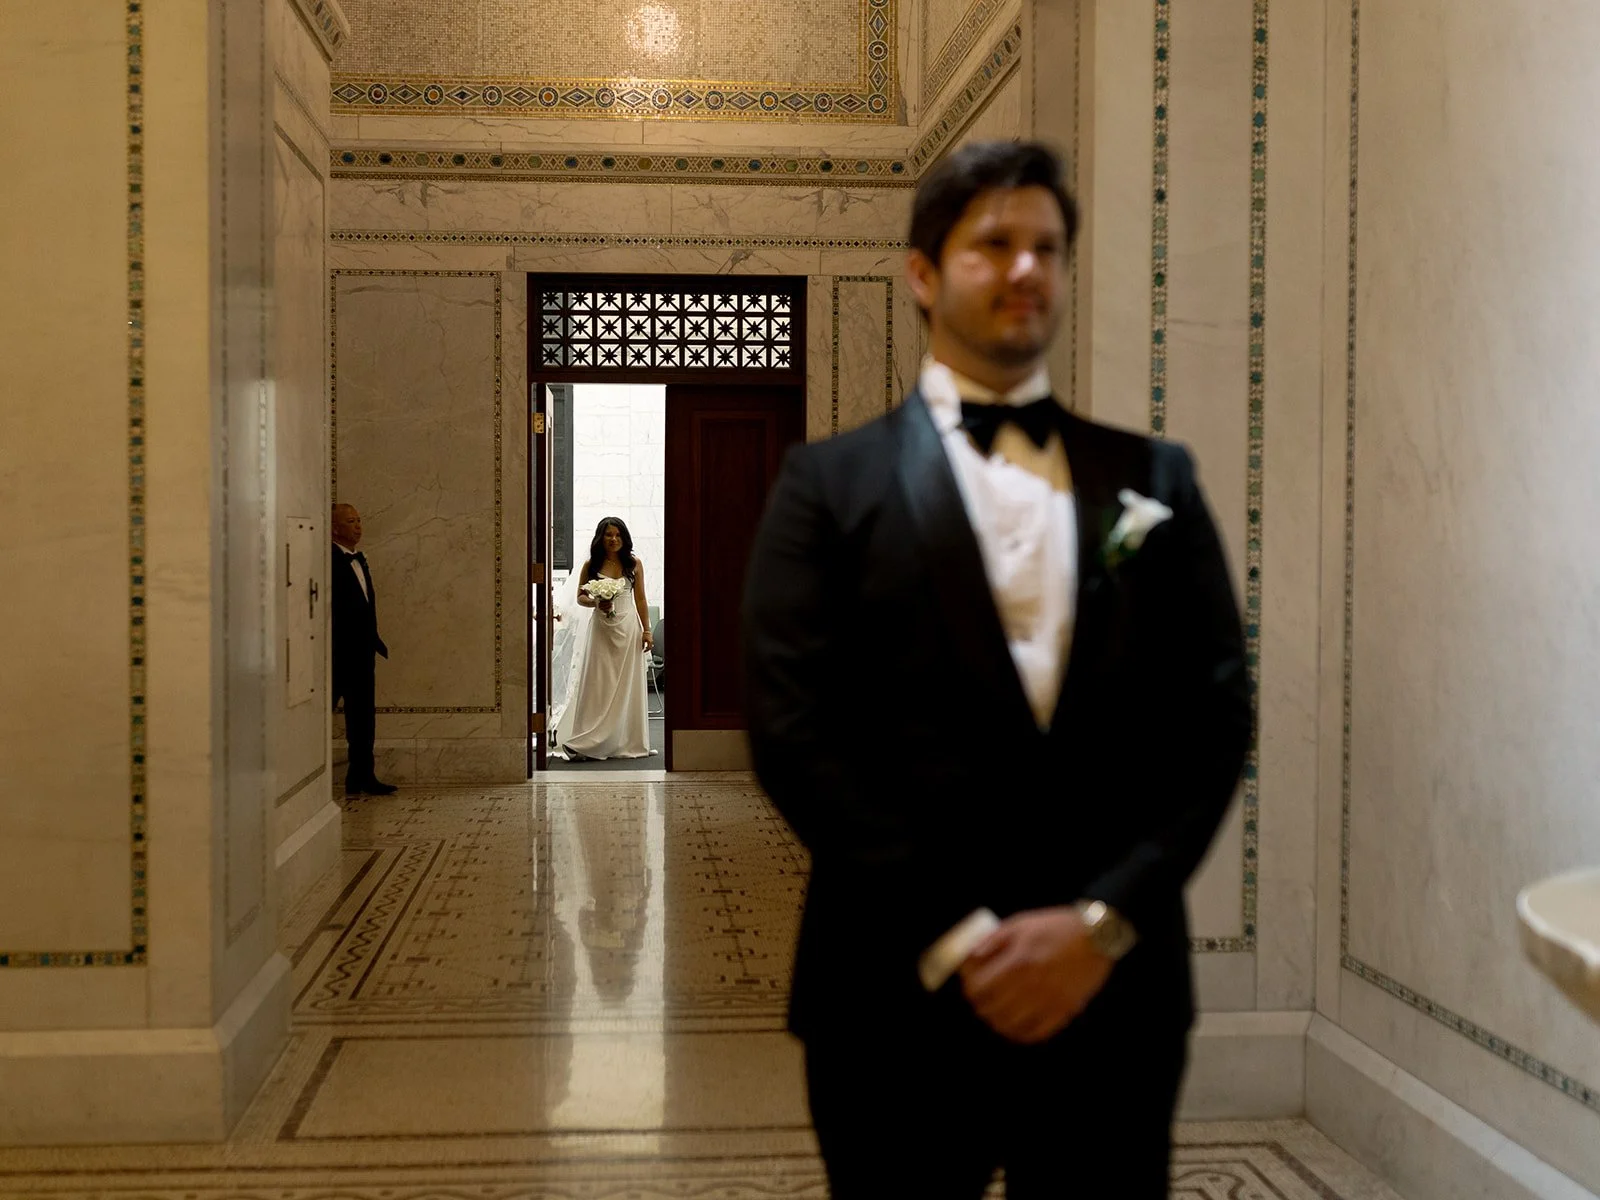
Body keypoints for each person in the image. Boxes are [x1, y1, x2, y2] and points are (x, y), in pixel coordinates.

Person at [740, 141, 1252, 1198]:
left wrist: (1099, 924)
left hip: (1114, 992)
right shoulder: (825, 485)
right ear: (923, 274)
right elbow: (795, 733)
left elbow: (1212, 722)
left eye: (1047, 248)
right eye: (994, 244)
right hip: (894, 989)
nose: (1026, 269)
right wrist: (961, 935)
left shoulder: (1153, 479)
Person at [552, 517, 656, 761]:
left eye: (618, 535)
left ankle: (623, 739)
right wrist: (597, 602)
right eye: (609, 534)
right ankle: (588, 739)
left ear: (624, 538)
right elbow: (580, 597)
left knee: (626, 684)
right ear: (601, 537)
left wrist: (647, 630)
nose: (613, 539)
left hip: (628, 629)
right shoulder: (591, 564)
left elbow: (641, 599)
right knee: (598, 683)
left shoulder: (634, 564)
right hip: (601, 630)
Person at [330, 502, 396, 796]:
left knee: (363, 719)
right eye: (350, 521)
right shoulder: (328, 561)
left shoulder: (359, 559)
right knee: (319, 716)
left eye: (358, 520)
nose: (358, 526)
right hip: (336, 653)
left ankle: (361, 776)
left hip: (362, 652)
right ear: (334, 528)